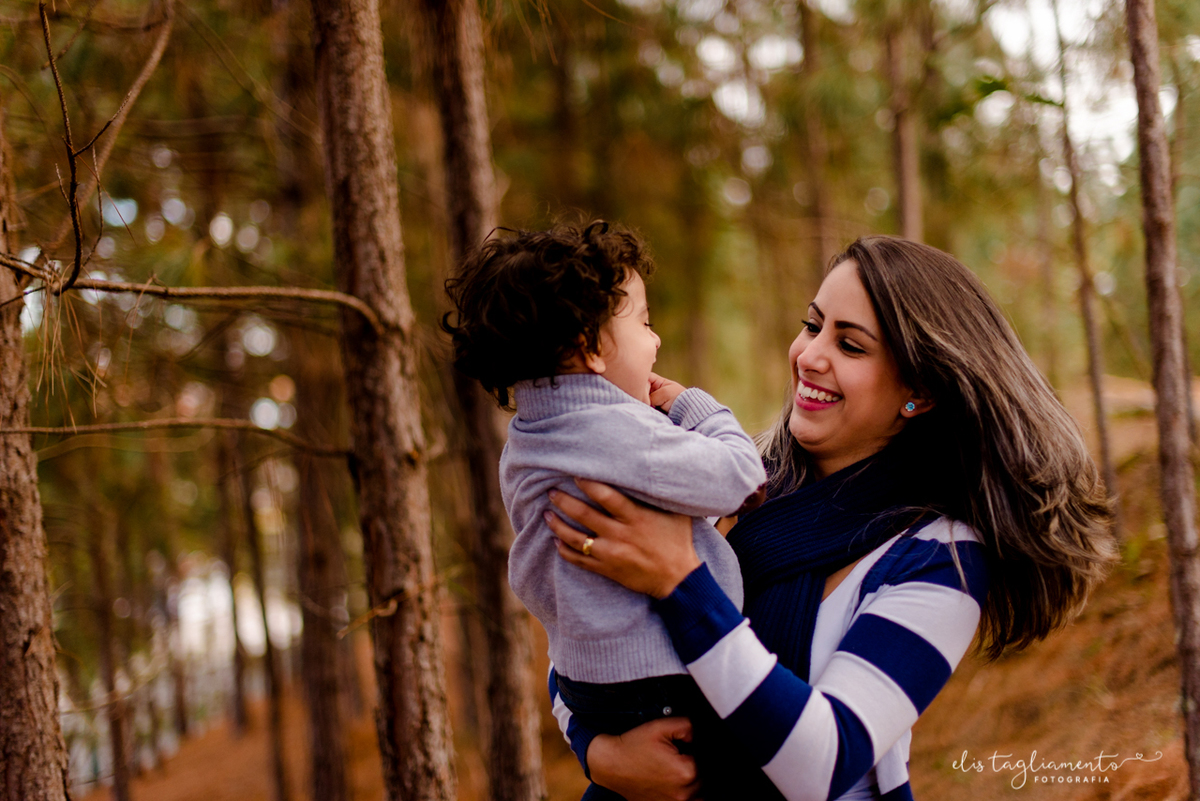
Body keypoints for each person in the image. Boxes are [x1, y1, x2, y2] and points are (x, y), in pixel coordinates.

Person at [544, 235, 1115, 801]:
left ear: (919, 389)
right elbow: (582, 628)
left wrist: (680, 582)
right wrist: (599, 751)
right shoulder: (724, 475)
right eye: (812, 325)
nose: (810, 356)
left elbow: (826, 762)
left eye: (852, 346)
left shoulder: (939, 558)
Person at [442, 221, 768, 800]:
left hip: (588, 686)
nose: (657, 340)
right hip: (663, 677)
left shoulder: (526, 442)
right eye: (642, 321)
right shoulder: (617, 431)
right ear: (591, 348)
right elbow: (740, 476)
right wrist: (693, 405)